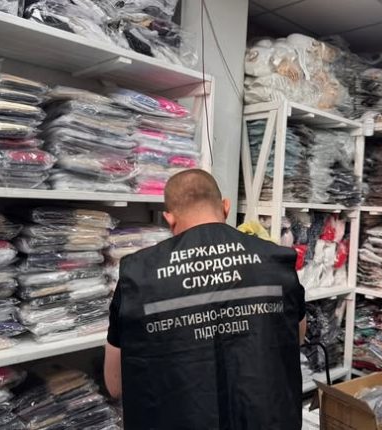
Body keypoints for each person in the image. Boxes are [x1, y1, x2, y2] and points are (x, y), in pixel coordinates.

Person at [104, 169, 307, 429]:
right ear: (226, 207)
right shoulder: (275, 260)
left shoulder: (137, 274)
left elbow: (115, 384)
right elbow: (295, 337)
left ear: (169, 218)